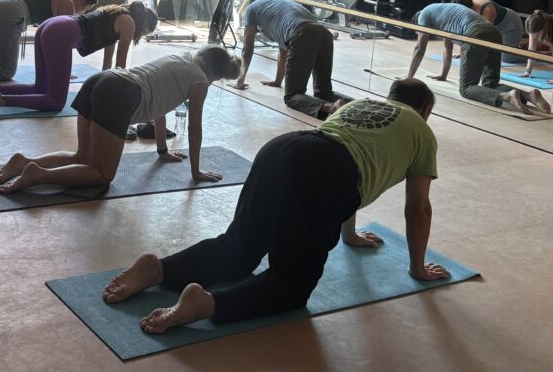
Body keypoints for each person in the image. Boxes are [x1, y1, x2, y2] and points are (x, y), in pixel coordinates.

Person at [102, 79, 451, 333]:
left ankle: (159, 269)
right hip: (324, 172)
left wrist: (349, 235)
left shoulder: (359, 104)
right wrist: (418, 268)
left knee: (239, 248)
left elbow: (352, 156)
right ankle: (206, 304)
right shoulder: (421, 132)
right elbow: (418, 208)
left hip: (284, 147)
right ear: (425, 110)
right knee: (291, 284)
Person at [0, 45, 241, 194]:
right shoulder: (199, 81)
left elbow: (160, 107)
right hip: (119, 93)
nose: (212, 83)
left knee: (83, 158)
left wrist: (162, 150)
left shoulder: (179, 60)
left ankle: (23, 162)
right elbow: (195, 128)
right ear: (215, 73)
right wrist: (196, 171)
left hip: (101, 80)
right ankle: (38, 174)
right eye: (217, 80)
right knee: (102, 175)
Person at [0, 1, 157, 113]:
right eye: (146, 32)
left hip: (52, 25)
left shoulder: (116, 13)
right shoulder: (129, 23)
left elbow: (109, 66)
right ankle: (1, 99)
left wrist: (104, 89)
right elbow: (121, 64)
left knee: (40, 88)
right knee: (55, 102)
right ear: (144, 25)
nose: (141, 35)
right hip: (61, 33)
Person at [408, 2, 549, 114]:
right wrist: (443, 75)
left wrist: (409, 78)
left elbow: (419, 48)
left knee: (466, 88)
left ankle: (506, 97)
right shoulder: (441, 13)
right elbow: (447, 47)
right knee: (491, 84)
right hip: (494, 32)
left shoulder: (423, 16)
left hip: (476, 34)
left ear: (417, 23)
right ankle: (529, 95)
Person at [232, 0, 350, 119]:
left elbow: (247, 49)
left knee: (292, 96)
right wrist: (278, 81)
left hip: (302, 33)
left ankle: (332, 107)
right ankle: (365, 105)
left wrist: (240, 81)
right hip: (324, 33)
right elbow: (283, 51)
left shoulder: (250, 10)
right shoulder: (274, 9)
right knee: (324, 92)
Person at [450, 0, 524, 64]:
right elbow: (464, 30)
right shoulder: (466, 4)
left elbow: (486, 36)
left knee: (507, 59)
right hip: (497, 27)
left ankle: (527, 52)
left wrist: (472, 54)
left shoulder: (487, 9)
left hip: (511, 26)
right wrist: (462, 52)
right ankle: (517, 45)